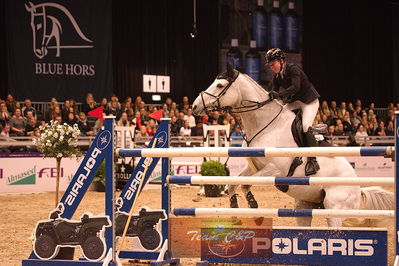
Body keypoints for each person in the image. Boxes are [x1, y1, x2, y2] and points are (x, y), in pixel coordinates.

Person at [266, 48, 320, 175]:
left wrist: (278, 94)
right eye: (270, 66)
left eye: (273, 64)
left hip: (309, 102)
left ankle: (313, 160)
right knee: (279, 117)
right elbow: (274, 95)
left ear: (281, 61)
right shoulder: (277, 77)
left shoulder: (293, 69)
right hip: (295, 102)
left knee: (306, 126)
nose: (271, 67)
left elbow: (295, 87)